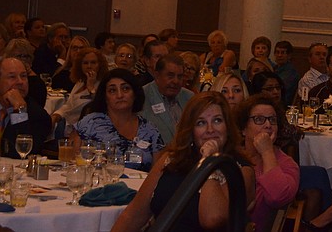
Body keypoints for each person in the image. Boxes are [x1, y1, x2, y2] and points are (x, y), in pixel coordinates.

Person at [112, 91, 256, 232]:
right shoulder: (171, 160)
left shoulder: (240, 170)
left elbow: (212, 219)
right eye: (201, 123)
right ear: (191, 130)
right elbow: (132, 215)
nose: (210, 129)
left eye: (217, 120)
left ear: (228, 127)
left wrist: (209, 161)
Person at [71, 68, 164, 171]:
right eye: (112, 90)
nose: (120, 95)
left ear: (135, 94)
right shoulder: (89, 124)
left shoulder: (150, 131)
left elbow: (157, 174)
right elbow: (73, 166)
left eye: (125, 89)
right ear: (105, 97)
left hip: (138, 186)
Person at [236, 95, 299, 232]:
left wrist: (267, 152)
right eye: (259, 119)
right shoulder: (232, 157)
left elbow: (278, 197)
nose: (268, 125)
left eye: (272, 120)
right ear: (243, 129)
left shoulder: (287, 164)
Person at [0, 57, 51, 158]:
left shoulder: (38, 116)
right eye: (12, 77)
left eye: (23, 76)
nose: (20, 82)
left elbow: (19, 154)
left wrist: (20, 111)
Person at [51, 46, 108, 136]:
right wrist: (56, 115)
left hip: (87, 130)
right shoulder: (80, 82)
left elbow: (100, 107)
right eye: (85, 63)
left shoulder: (104, 84)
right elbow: (69, 105)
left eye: (93, 62)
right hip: (68, 125)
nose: (89, 66)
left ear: (100, 64)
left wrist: (91, 87)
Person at [141, 54, 194, 144]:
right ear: (157, 75)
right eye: (170, 76)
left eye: (180, 76)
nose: (176, 81)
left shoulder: (189, 97)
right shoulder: (142, 96)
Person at [3, 39, 47, 108]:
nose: (23, 59)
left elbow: (32, 113)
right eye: (19, 56)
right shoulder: (3, 76)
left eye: (27, 56)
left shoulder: (37, 84)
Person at [274, 40, 300, 106]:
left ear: (289, 56)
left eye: (282, 53)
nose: (279, 55)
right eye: (277, 52)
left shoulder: (291, 73)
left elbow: (283, 92)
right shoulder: (273, 68)